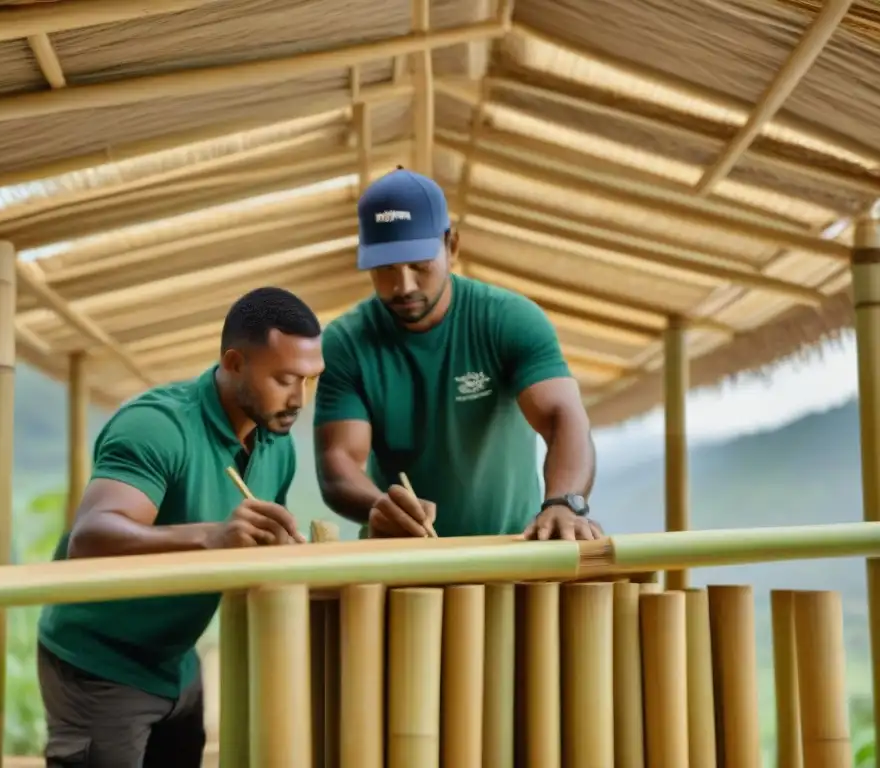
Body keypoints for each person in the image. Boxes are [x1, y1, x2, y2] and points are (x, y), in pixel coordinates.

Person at [36, 287, 325, 768]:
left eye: (309, 380)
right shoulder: (157, 426)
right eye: (285, 379)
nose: (298, 399)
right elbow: (91, 536)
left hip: (176, 661)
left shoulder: (278, 442)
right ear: (233, 363)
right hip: (99, 665)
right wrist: (210, 536)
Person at [313, 167, 603, 542]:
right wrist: (378, 507)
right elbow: (339, 462)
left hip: (510, 553)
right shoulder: (346, 342)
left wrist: (563, 502)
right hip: (403, 562)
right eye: (384, 268)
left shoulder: (509, 320)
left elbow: (562, 416)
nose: (403, 286)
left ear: (451, 246)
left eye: (419, 264)